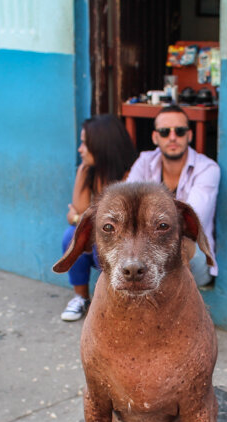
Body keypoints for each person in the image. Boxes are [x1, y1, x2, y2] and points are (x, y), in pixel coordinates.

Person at [126, 104, 220, 287]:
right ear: (155, 137)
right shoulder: (145, 161)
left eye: (180, 131)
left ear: (189, 135)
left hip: (194, 258)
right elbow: (126, 206)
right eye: (164, 132)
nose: (172, 137)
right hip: (149, 251)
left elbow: (190, 223)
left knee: (180, 244)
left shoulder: (208, 169)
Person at [60, 114, 137, 321]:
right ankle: (82, 298)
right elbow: (78, 211)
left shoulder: (130, 177)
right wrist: (83, 170)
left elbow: (108, 225)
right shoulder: (90, 171)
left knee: (100, 242)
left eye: (85, 143)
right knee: (71, 236)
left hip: (129, 247)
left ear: (102, 145)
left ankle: (117, 303)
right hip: (104, 235)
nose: (80, 149)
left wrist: (78, 218)